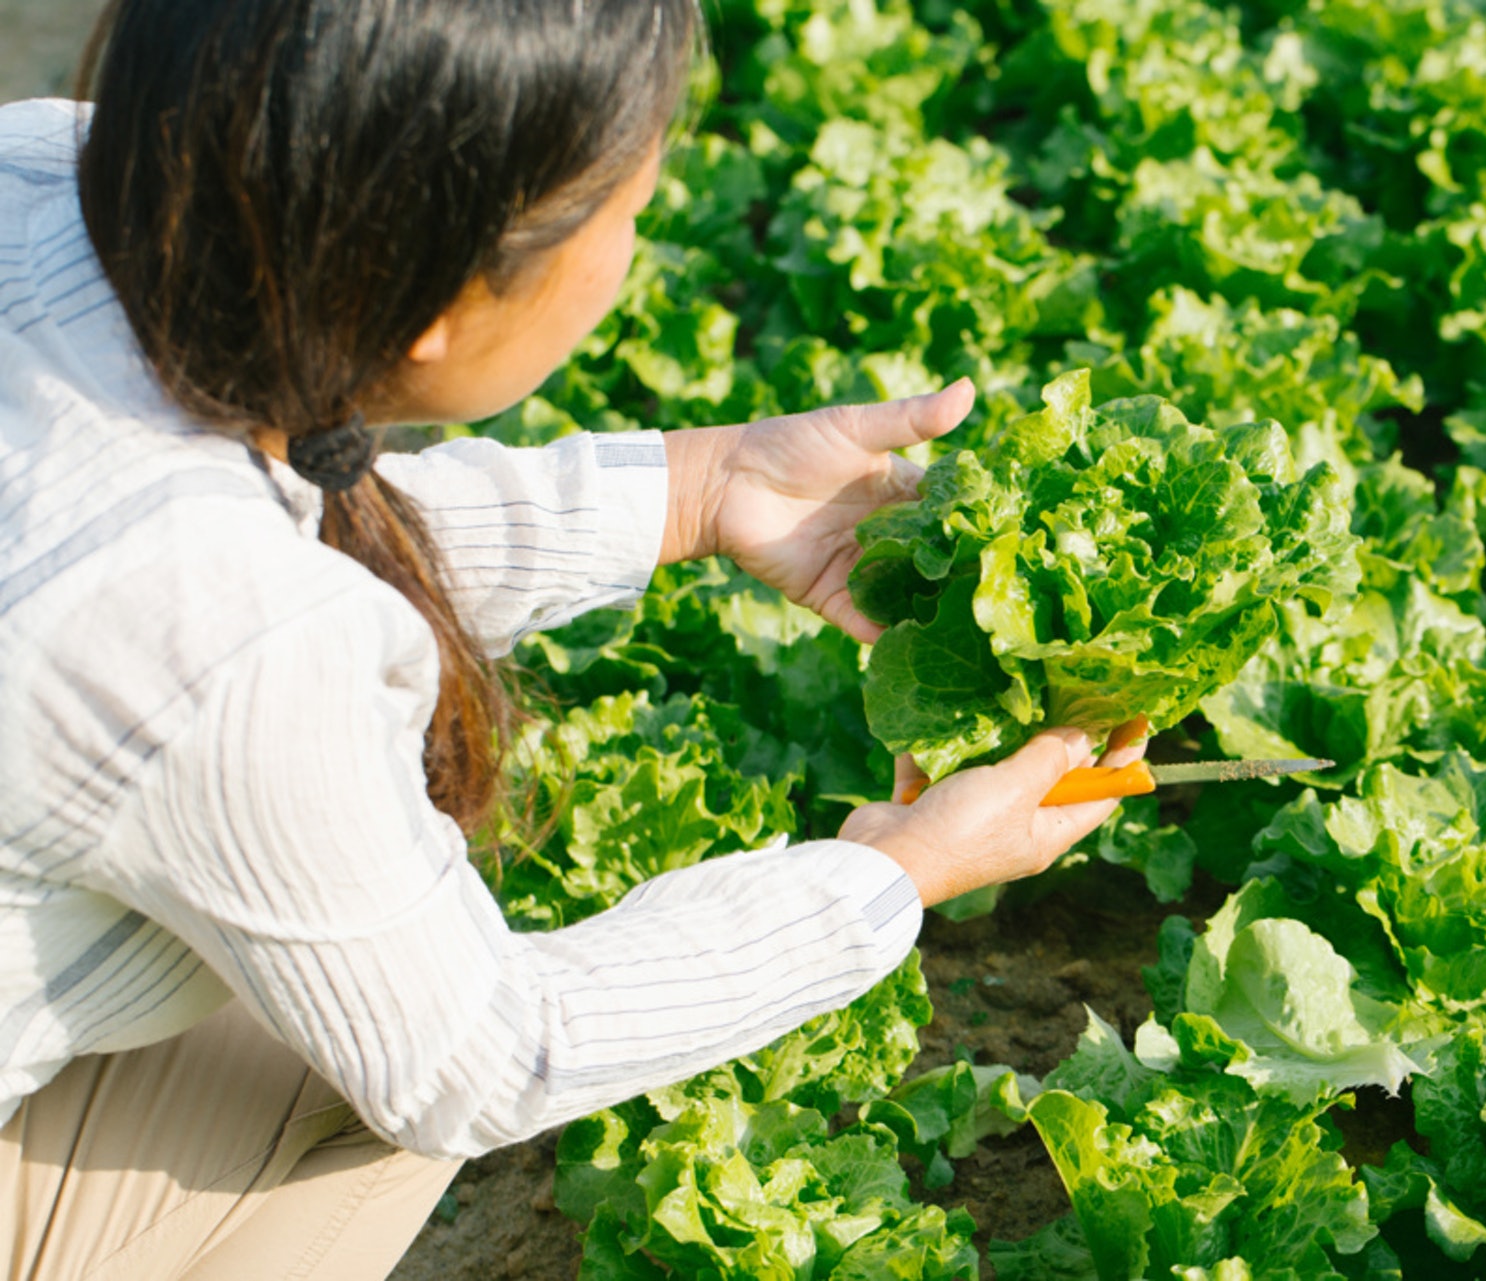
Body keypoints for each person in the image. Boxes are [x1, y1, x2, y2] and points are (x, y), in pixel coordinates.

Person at [0, 1, 1142, 1276]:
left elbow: (231, 552)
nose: (637, 243)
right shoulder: (220, 640)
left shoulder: (57, 171)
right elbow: (483, 1053)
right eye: (631, 209)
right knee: (372, 1058)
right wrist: (899, 871)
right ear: (430, 298)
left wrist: (705, 487)